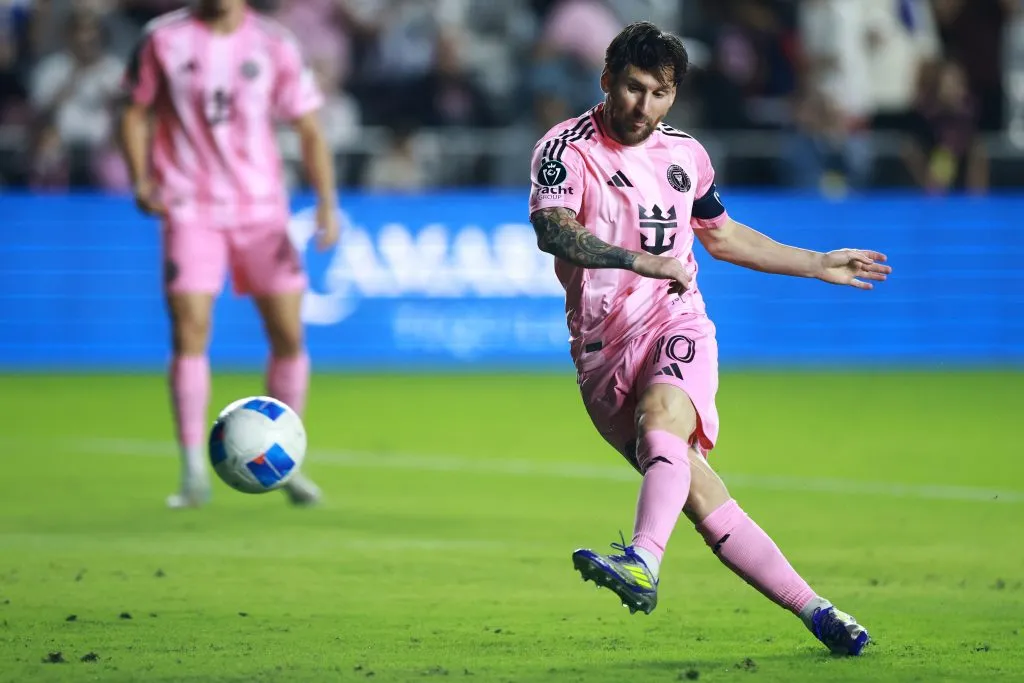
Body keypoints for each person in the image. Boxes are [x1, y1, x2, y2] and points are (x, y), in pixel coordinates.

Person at [528, 22, 890, 656]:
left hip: (676, 318)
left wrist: (815, 262)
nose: (644, 106)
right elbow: (555, 233)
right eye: (634, 88)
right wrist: (635, 259)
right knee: (700, 496)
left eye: (660, 94)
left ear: (675, 96)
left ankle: (642, 560)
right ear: (607, 79)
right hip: (601, 351)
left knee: (662, 418)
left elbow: (720, 236)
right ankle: (819, 611)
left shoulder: (685, 155)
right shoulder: (563, 150)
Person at [120, 0, 340, 508]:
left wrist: (327, 202)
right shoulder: (163, 39)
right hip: (189, 205)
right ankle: (193, 469)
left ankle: (287, 460)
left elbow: (308, 126)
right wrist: (140, 178)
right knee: (190, 328)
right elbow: (134, 110)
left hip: (262, 211)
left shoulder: (274, 43)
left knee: (288, 333)